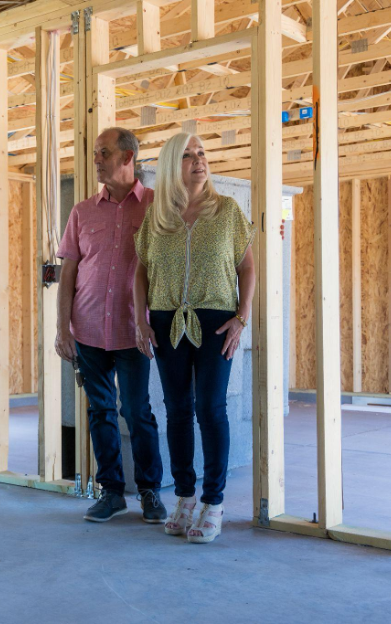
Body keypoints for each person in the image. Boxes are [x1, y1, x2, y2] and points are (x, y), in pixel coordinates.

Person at [133, 132, 257, 544]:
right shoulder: (159, 216)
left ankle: (214, 502)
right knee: (177, 410)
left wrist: (242, 318)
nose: (198, 161)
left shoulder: (227, 211)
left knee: (211, 408)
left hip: (216, 319)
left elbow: (248, 269)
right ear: (173, 164)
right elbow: (141, 271)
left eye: (202, 153)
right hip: (167, 320)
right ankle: (184, 498)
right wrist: (140, 318)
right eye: (188, 155)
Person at [56, 127, 167, 524]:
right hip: (87, 330)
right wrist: (61, 327)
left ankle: (151, 492)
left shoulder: (156, 206)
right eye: (95, 152)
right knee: (100, 411)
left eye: (103, 152)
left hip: (134, 331)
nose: (97, 160)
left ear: (127, 158)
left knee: (137, 412)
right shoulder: (83, 211)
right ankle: (111, 492)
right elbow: (68, 271)